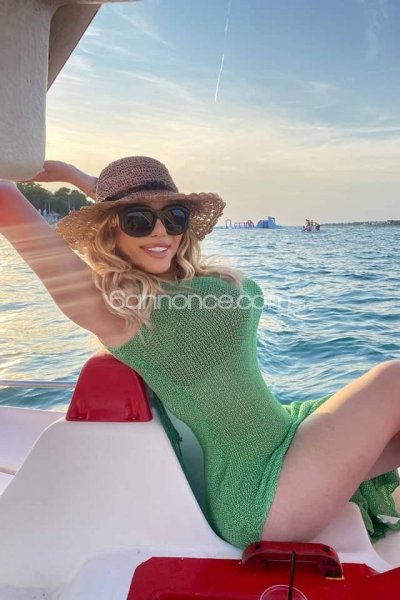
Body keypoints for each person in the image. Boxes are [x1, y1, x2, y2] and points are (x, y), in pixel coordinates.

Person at [1, 156, 400, 549]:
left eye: (174, 216)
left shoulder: (180, 276)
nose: (161, 231)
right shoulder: (117, 308)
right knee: (394, 378)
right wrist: (18, 159)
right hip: (259, 490)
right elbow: (14, 212)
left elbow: (145, 215)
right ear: (109, 231)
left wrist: (83, 180)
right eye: (138, 220)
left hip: (282, 436)